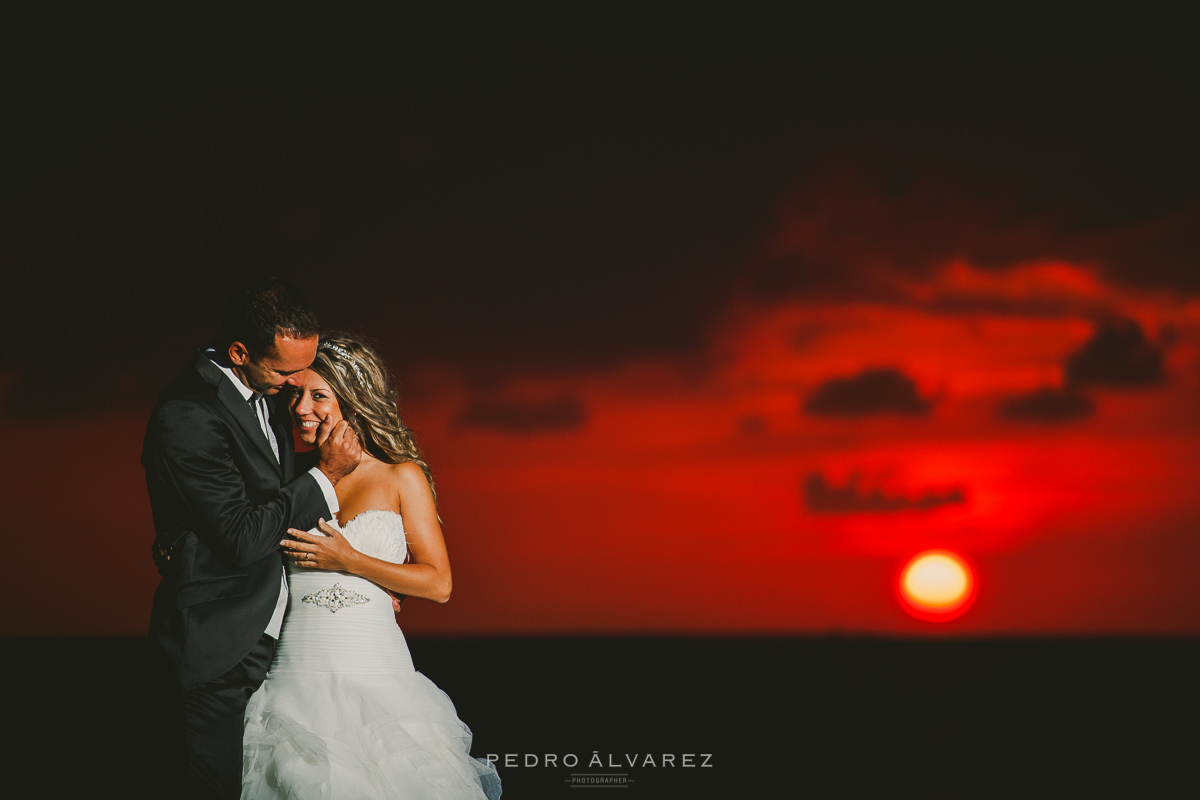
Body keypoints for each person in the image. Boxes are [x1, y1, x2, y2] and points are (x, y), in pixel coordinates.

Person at [241, 333, 502, 799]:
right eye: (296, 394)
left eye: (319, 396)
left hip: (377, 678)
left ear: (354, 402)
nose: (301, 408)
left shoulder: (401, 476)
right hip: (293, 678)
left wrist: (353, 561)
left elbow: (439, 583)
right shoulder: (289, 483)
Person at [143, 278, 363, 799]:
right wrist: (323, 477)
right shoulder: (189, 413)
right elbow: (241, 536)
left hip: (275, 648)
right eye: (285, 370)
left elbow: (272, 510)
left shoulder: (263, 397)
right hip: (216, 651)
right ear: (240, 351)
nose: (294, 384)